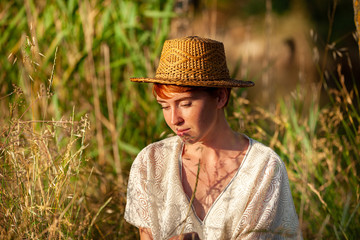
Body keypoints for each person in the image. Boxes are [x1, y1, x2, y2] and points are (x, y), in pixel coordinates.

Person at [125, 36, 302, 240]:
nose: (174, 119)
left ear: (220, 97)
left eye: (185, 104)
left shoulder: (263, 167)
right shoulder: (151, 162)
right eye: (164, 106)